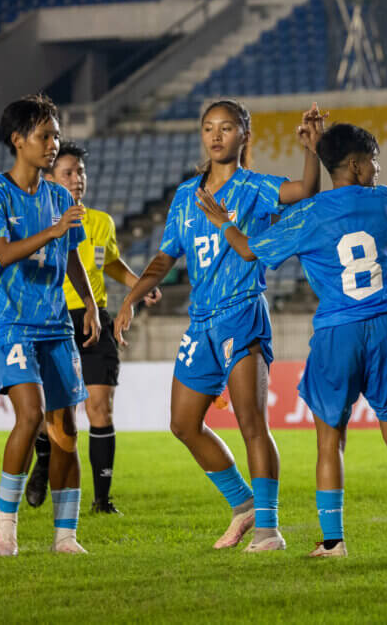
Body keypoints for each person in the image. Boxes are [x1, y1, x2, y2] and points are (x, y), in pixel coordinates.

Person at [194, 123, 387, 558]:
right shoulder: (386, 201)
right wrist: (315, 148)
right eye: (373, 163)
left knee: (330, 439)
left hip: (338, 332)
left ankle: (333, 541)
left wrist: (224, 221)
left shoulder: (309, 215)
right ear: (356, 166)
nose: (377, 171)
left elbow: (247, 249)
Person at [113, 99, 324, 552]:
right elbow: (165, 256)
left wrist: (312, 149)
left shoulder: (255, 188)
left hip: (241, 310)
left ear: (243, 135)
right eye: (209, 128)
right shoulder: (186, 195)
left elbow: (306, 190)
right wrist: (130, 297)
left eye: (226, 128)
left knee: (252, 423)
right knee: (183, 423)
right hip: (201, 322)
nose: (215, 135)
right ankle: (243, 505)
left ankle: (268, 530)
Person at [0, 94, 101, 556]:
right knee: (30, 415)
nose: (53, 144)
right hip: (10, 324)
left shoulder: (60, 196)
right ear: (18, 140)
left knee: (66, 429)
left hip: (55, 325)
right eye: (44, 136)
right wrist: (51, 229)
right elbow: (4, 254)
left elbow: (70, 256)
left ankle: (65, 536)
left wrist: (87, 302)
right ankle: (5, 528)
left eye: (56, 135)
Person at [24, 141, 162, 515]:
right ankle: (42, 461)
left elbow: (110, 263)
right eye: (68, 172)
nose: (76, 179)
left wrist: (138, 286)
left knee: (100, 408)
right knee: (46, 414)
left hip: (95, 319)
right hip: (54, 319)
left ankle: (102, 500)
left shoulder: (101, 222)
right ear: (50, 177)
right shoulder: (41, 223)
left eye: (80, 172)